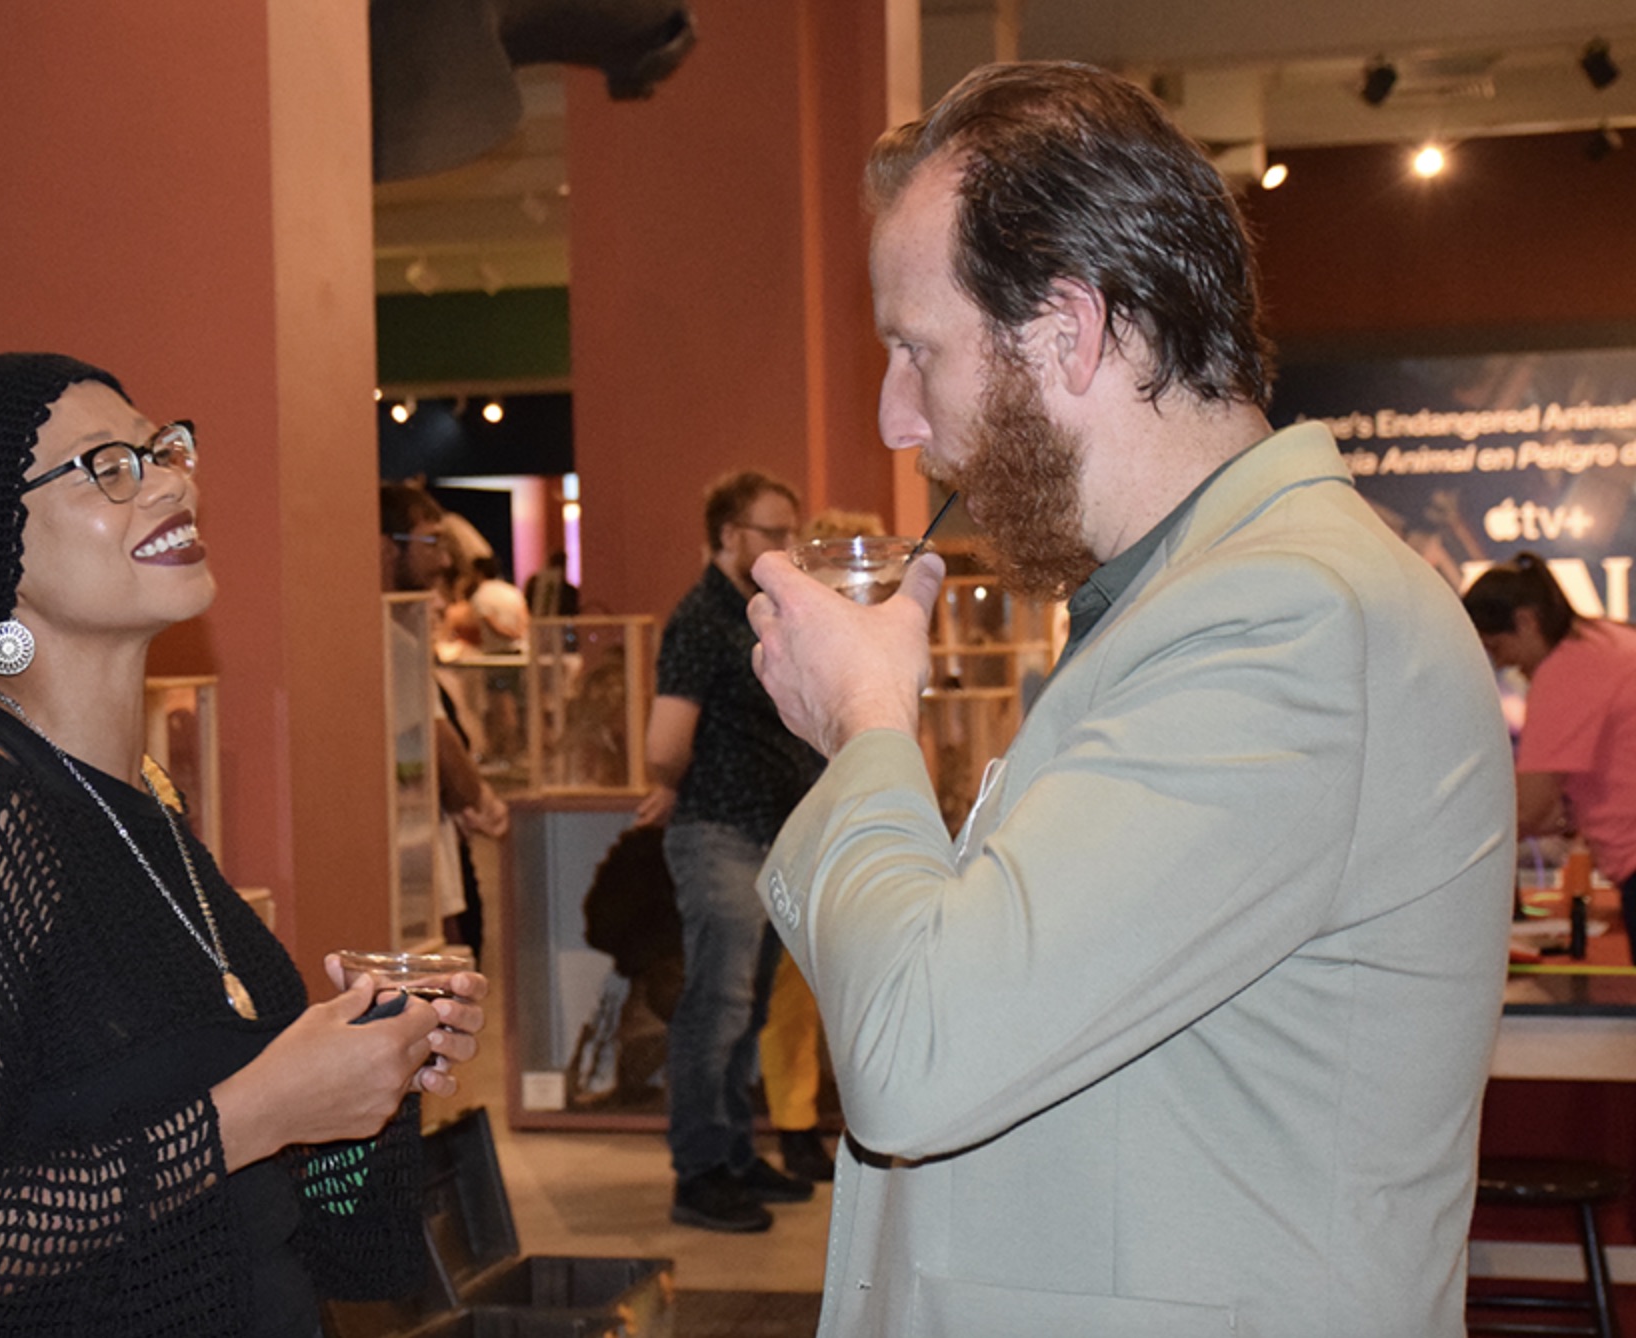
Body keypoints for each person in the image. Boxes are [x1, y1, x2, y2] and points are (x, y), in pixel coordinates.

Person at [744, 63, 1514, 1336]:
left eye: (912, 350)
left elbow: (916, 1051)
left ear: (1070, 329)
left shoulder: (1286, 618)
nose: (894, 417)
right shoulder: (1185, 606)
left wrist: (864, 725)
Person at [0, 354, 488, 1338]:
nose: (172, 478)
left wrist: (372, 1070)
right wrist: (258, 1107)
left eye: (162, 448)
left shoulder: (142, 805)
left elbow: (336, 1241)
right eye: (106, 465)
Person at [634, 468, 822, 1232]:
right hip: (722, 832)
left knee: (744, 1013)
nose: (788, 546)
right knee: (717, 1007)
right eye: (774, 532)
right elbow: (664, 743)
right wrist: (676, 781)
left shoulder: (758, 614)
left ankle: (738, 1155)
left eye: (792, 531)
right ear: (730, 534)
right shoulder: (702, 619)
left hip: (769, 836)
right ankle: (702, 1170)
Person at [758, 508, 885, 1183]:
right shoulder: (793, 639)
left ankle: (819, 1119)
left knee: (829, 986)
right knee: (794, 994)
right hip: (802, 817)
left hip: (838, 811)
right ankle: (797, 1122)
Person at [1464, 551, 1636, 929]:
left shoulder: (1564, 673)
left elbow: (1530, 810)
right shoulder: (1606, 639)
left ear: (1525, 621)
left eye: (1495, 646)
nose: (1504, 664)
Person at [380, 482, 509, 959]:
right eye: (430, 542)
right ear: (387, 547)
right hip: (412, 863)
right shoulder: (392, 641)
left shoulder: (399, 634)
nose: (443, 562)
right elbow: (440, 746)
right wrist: (476, 795)